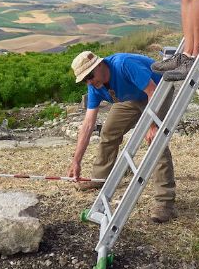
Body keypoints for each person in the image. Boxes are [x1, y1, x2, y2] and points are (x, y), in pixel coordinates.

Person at [67, 49, 177, 223]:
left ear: (100, 64)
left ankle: (165, 203)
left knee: (155, 141)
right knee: (109, 132)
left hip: (157, 91)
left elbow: (152, 91)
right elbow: (88, 125)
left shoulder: (124, 64)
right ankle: (100, 178)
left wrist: (152, 124)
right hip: (131, 98)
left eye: (90, 75)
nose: (89, 81)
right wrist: (76, 161)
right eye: (85, 79)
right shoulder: (95, 86)